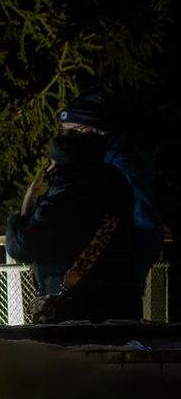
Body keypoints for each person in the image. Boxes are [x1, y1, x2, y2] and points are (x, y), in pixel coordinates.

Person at [6, 127, 145, 322]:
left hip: (76, 308)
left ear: (63, 163)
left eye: (53, 161)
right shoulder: (113, 179)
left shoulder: (62, 195)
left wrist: (21, 214)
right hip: (121, 300)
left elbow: (21, 246)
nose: (48, 168)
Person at [59, 89, 164, 271]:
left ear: (99, 131)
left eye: (77, 130)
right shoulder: (90, 166)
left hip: (113, 285)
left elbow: (146, 225)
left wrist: (125, 276)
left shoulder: (122, 166)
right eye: (64, 131)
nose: (67, 139)